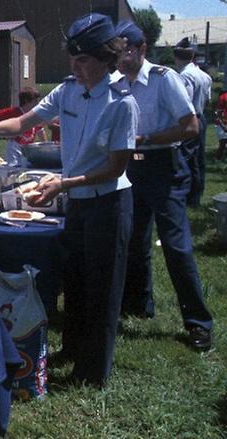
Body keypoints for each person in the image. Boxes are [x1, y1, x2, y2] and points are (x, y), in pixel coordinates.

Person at [0, 13, 138, 387]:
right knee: (75, 281)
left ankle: (93, 373)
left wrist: (63, 183)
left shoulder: (122, 102)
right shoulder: (67, 90)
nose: (76, 68)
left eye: (84, 62)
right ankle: (74, 349)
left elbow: (114, 168)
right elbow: (27, 121)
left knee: (103, 288)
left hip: (107, 203)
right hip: (77, 201)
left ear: (106, 58)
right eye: (73, 61)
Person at [114, 21, 213, 351]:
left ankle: (198, 323)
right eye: (115, 51)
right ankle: (138, 305)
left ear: (142, 49)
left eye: (125, 50)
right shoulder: (116, 81)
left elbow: (191, 127)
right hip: (131, 167)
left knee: (176, 245)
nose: (119, 57)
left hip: (164, 168)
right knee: (134, 240)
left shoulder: (164, 78)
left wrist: (147, 138)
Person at [175, 37, 212, 207]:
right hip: (201, 116)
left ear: (178, 56)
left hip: (190, 119)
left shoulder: (185, 76)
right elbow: (208, 100)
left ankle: (185, 194)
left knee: (185, 158)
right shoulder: (204, 76)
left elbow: (184, 103)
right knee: (198, 159)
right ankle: (196, 194)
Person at [0, 87, 47, 165]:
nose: (37, 103)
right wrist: (5, 133)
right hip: (14, 146)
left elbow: (40, 130)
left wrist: (46, 147)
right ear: (26, 101)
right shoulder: (14, 112)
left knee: (27, 168)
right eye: (35, 101)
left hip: (28, 148)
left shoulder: (34, 114)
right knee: (13, 169)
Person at [214, 87, 227, 160]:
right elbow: (218, 113)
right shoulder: (223, 96)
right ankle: (217, 159)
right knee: (223, 143)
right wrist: (223, 125)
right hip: (223, 123)